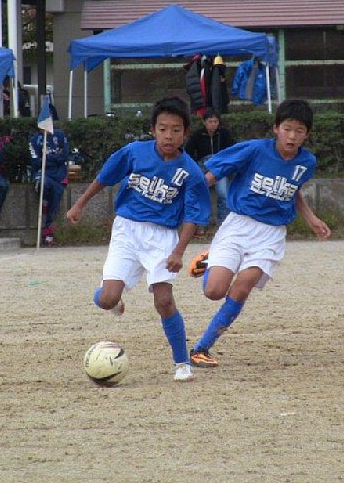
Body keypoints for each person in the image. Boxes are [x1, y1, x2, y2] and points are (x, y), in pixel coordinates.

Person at [66, 96, 211, 382]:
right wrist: (79, 204)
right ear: (153, 129)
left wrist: (178, 252)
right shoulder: (134, 152)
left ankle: (182, 363)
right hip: (127, 230)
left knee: (164, 301)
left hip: (162, 236)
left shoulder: (191, 172)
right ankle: (113, 300)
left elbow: (193, 215)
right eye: (163, 129)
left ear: (185, 133)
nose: (168, 136)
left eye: (176, 130)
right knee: (107, 299)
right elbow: (104, 177)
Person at [188, 99, 331, 368]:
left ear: (307, 134)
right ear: (276, 128)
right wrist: (191, 205)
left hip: (271, 235)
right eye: (287, 129)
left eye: (299, 131)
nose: (292, 136)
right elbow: (212, 174)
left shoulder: (307, 162)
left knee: (241, 289)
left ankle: (201, 348)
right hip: (239, 225)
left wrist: (310, 217)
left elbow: (292, 190)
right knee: (214, 291)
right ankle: (211, 259)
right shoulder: (255, 149)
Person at [184, 108, 235, 230]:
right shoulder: (198, 135)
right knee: (199, 193)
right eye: (210, 121)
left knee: (223, 194)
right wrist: (195, 166)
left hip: (219, 168)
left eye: (215, 121)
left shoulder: (224, 134)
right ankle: (200, 224)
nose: (213, 124)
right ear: (204, 122)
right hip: (202, 166)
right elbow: (188, 152)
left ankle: (222, 223)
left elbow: (231, 150)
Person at [30, 126, 70, 247]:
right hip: (43, 174)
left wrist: (47, 157)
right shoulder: (34, 140)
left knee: (56, 196)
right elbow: (36, 162)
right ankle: (45, 204)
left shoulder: (60, 135)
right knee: (43, 185)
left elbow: (64, 156)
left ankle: (48, 232)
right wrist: (54, 159)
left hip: (59, 175)